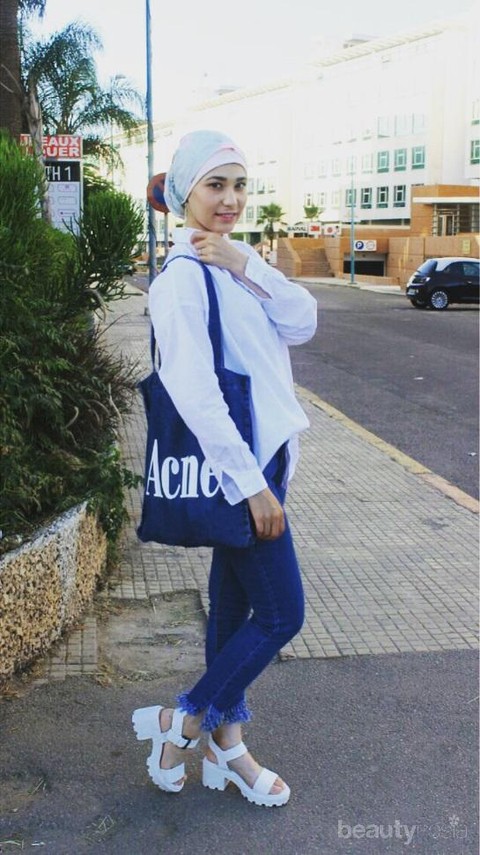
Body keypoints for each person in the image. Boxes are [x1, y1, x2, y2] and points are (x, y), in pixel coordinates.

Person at [132, 130, 317, 808]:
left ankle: (225, 747)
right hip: (241, 474)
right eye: (216, 185)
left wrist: (247, 264)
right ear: (186, 192)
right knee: (282, 614)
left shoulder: (234, 263)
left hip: (265, 463)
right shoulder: (181, 280)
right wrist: (252, 486)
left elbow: (303, 321)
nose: (230, 199)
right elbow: (197, 395)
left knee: (233, 610)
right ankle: (182, 721)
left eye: (239, 185)